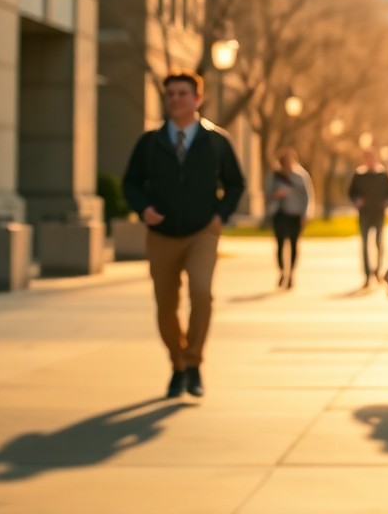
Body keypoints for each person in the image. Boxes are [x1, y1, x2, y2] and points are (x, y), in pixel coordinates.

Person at [122, 70, 245, 399]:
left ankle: (194, 362)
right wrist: (142, 208)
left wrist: (221, 216)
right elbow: (131, 182)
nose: (175, 99)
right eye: (170, 94)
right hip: (161, 234)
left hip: (202, 231)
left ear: (197, 99)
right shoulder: (150, 142)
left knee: (202, 291)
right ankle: (177, 365)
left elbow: (236, 184)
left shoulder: (217, 141)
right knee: (165, 305)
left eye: (182, 93)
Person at [268, 148, 313, 289]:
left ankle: (291, 273)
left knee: (293, 244)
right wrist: (276, 194)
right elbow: (267, 193)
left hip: (295, 215)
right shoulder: (275, 176)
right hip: (280, 214)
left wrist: (306, 214)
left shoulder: (301, 176)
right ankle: (282, 271)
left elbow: (308, 196)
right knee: (280, 245)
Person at [348, 146, 388, 286]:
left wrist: (386, 203)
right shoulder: (359, 174)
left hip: (379, 213)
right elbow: (351, 192)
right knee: (364, 245)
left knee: (379, 244)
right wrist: (357, 200)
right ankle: (367, 275)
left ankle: (378, 271)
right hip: (364, 214)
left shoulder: (383, 174)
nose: (370, 160)